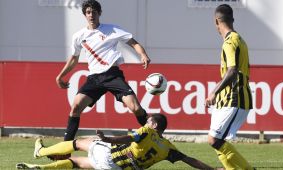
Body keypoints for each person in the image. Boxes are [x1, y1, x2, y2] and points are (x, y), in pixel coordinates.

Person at [56, 0, 150, 145]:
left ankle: (152, 136)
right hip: (94, 78)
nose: (91, 15)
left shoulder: (112, 29)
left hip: (113, 75)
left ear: (99, 13)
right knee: (75, 107)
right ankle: (65, 147)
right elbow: (74, 59)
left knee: (135, 107)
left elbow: (133, 43)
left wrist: (143, 55)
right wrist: (61, 76)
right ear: (84, 15)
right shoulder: (79, 36)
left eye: (94, 12)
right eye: (88, 12)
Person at [16, 114, 219, 170]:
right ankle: (41, 169)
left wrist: (107, 139)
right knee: (77, 162)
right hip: (116, 169)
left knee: (79, 142)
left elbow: (128, 138)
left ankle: (40, 152)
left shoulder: (147, 131)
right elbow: (189, 159)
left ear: (154, 125)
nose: (146, 121)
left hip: (110, 155)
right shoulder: (168, 148)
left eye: (149, 120)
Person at [205, 4, 254, 170]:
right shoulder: (239, 39)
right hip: (228, 98)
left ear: (216, 21)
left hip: (235, 97)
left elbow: (232, 71)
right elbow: (233, 71)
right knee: (217, 140)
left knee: (214, 140)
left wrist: (214, 92)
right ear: (232, 19)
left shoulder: (230, 42)